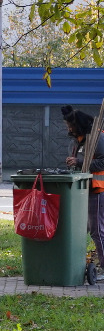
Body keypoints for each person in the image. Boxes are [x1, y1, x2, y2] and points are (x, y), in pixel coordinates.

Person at [62, 105, 104, 278]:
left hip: (97, 189)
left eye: (71, 126)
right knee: (84, 228)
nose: (69, 129)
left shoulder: (97, 139)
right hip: (84, 189)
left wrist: (79, 162)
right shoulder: (80, 139)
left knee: (96, 230)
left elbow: (102, 163)